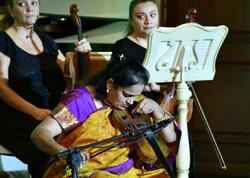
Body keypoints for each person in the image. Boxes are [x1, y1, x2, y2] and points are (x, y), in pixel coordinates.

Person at [31, 58, 180, 178]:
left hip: (128, 171)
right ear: (110, 84)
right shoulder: (81, 102)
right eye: (127, 95)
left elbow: (170, 139)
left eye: (135, 95)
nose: (131, 101)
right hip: (84, 172)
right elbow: (40, 134)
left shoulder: (135, 101)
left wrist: (156, 109)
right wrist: (64, 153)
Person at [0, 0, 91, 177]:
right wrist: (35, 112)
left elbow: (70, 71)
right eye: (22, 4)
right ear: (11, 11)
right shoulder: (3, 41)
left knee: (84, 134)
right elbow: (1, 88)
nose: (30, 8)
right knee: (47, 149)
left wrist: (84, 55)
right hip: (18, 115)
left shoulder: (45, 40)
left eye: (34, 2)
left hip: (51, 109)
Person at [111, 0, 196, 176]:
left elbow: (183, 76)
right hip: (138, 108)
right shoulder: (123, 46)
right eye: (141, 16)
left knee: (184, 140)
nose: (148, 21)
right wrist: (143, 86)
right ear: (131, 20)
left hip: (170, 102)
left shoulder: (170, 44)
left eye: (153, 15)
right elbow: (118, 82)